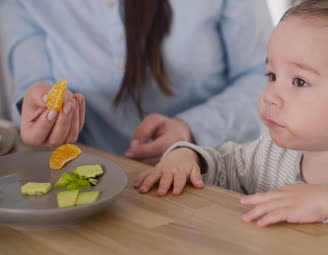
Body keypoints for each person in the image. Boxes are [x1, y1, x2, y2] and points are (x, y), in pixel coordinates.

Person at [134, 0, 328, 253]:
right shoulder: (271, 152)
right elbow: (225, 166)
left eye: (300, 81)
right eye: (271, 76)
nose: (271, 96)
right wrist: (188, 157)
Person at [0, 0, 272, 164]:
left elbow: (262, 76)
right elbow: (33, 83)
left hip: (209, 177)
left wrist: (192, 129)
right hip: (86, 182)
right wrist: (37, 110)